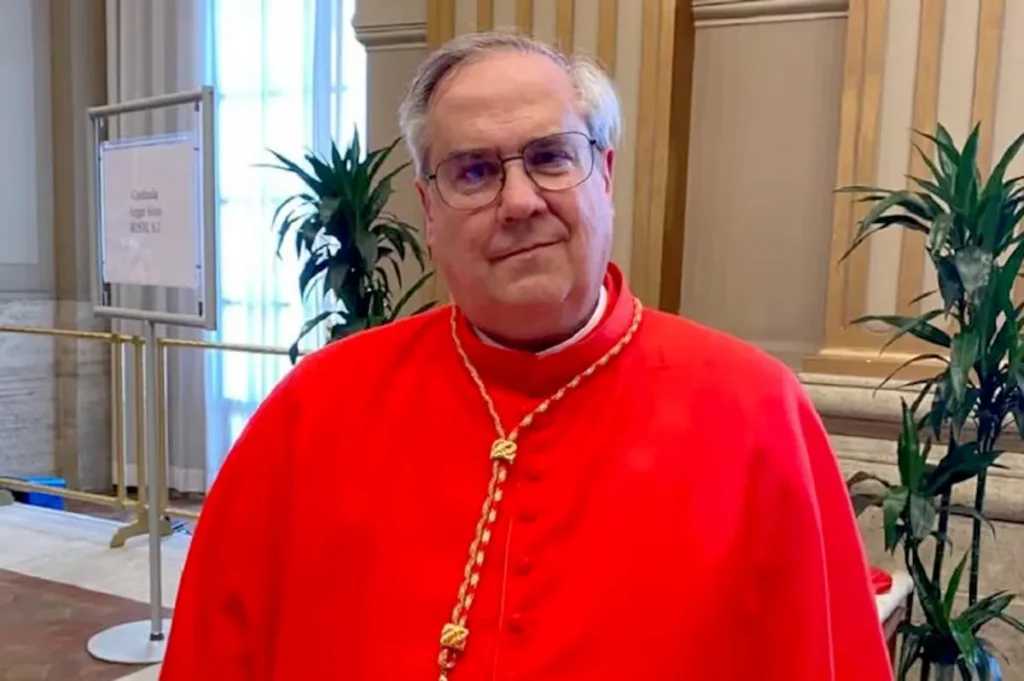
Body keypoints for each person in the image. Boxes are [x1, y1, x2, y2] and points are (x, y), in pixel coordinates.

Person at [161, 31, 893, 681]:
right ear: (429, 211)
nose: (519, 201)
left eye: (550, 157)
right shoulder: (315, 409)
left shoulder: (757, 415)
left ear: (605, 175)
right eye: (473, 172)